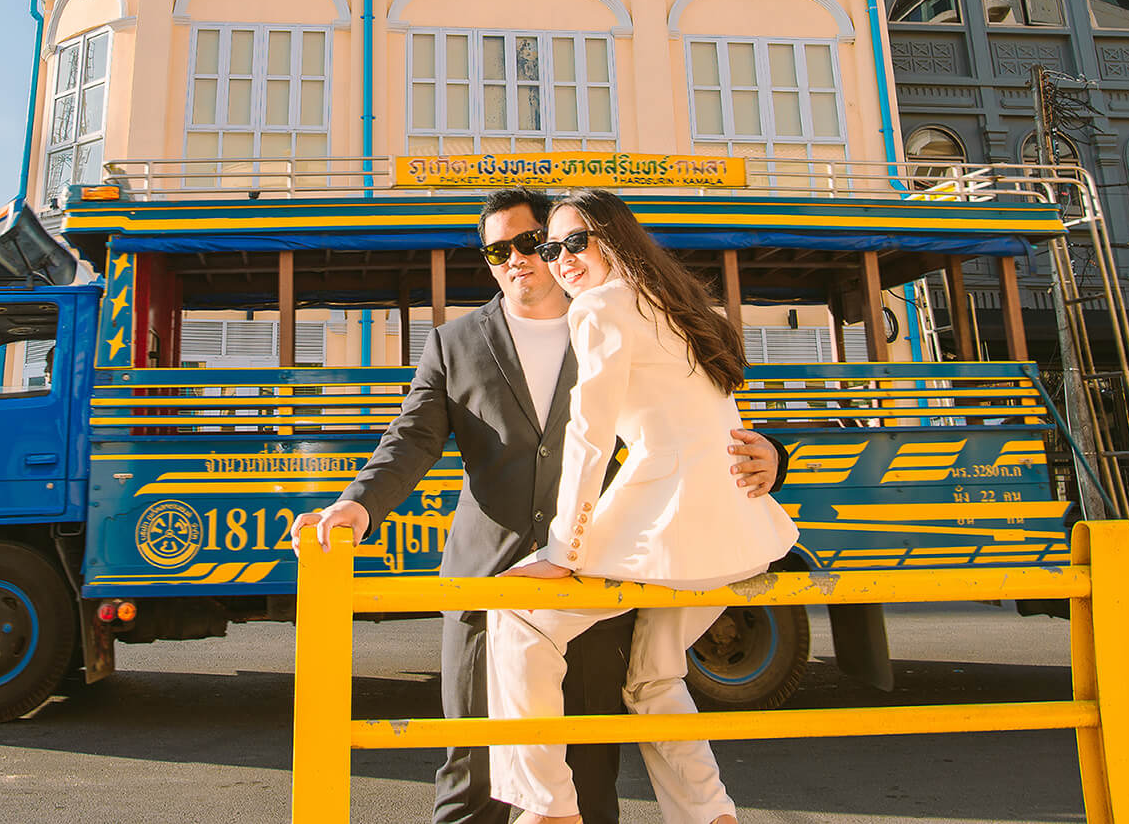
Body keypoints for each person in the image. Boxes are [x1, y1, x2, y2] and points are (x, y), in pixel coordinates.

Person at [293, 187, 786, 824]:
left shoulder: (607, 309)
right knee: (472, 774)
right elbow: (411, 437)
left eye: (533, 243)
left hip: (604, 564)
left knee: (593, 767)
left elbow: (690, 406)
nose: (521, 259)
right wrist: (359, 505)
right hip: (491, 573)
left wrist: (768, 455)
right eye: (499, 251)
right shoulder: (456, 342)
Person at [488, 189, 800, 824]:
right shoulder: (682, 306)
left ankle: (548, 808)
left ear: (616, 238)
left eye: (577, 241)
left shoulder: (601, 306)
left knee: (518, 618)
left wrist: (561, 551)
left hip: (668, 522)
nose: (562, 259)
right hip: (736, 533)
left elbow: (590, 433)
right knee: (656, 678)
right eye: (553, 248)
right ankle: (710, 814)